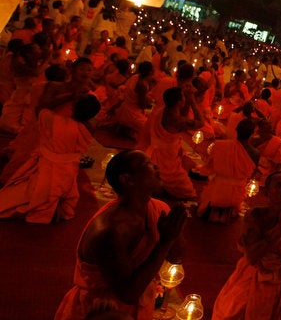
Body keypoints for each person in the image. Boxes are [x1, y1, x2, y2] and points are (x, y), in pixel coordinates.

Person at [54, 150, 187, 320]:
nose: (156, 167)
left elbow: (178, 257)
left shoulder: (158, 209)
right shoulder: (109, 230)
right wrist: (164, 243)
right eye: (148, 165)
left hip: (138, 304)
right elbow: (128, 293)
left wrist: (174, 233)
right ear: (127, 179)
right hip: (103, 311)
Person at [212, 171, 281, 320]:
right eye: (279, 185)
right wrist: (280, 227)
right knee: (232, 312)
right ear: (267, 193)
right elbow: (252, 257)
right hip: (253, 272)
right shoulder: (255, 216)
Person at [0, 94, 101, 223]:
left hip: (47, 167)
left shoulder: (54, 120)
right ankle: (53, 204)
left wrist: (65, 97)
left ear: (73, 106)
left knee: (18, 197)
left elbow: (41, 108)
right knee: (49, 191)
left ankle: (45, 204)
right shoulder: (89, 127)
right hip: (68, 172)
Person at [197, 119, 259, 223]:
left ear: (236, 130)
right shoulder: (255, 153)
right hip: (237, 194)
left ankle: (216, 209)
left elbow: (209, 166)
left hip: (217, 190)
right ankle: (228, 209)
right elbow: (251, 175)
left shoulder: (220, 145)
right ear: (252, 134)